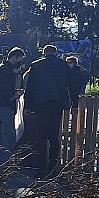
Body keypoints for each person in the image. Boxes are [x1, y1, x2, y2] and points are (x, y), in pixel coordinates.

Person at [23, 44, 74, 177]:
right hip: (57, 103)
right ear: (55, 53)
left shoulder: (36, 65)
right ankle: (53, 165)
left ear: (44, 53)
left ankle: (41, 167)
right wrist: (70, 103)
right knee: (54, 135)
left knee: (41, 135)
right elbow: (71, 84)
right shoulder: (63, 65)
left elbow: (30, 87)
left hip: (40, 104)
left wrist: (27, 106)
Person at [0, 48, 25, 156]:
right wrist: (14, 95)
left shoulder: (3, 69)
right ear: (15, 57)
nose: (21, 61)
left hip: (3, 104)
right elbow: (3, 88)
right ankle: (5, 161)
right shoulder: (5, 70)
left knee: (2, 132)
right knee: (8, 134)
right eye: (20, 58)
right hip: (5, 104)